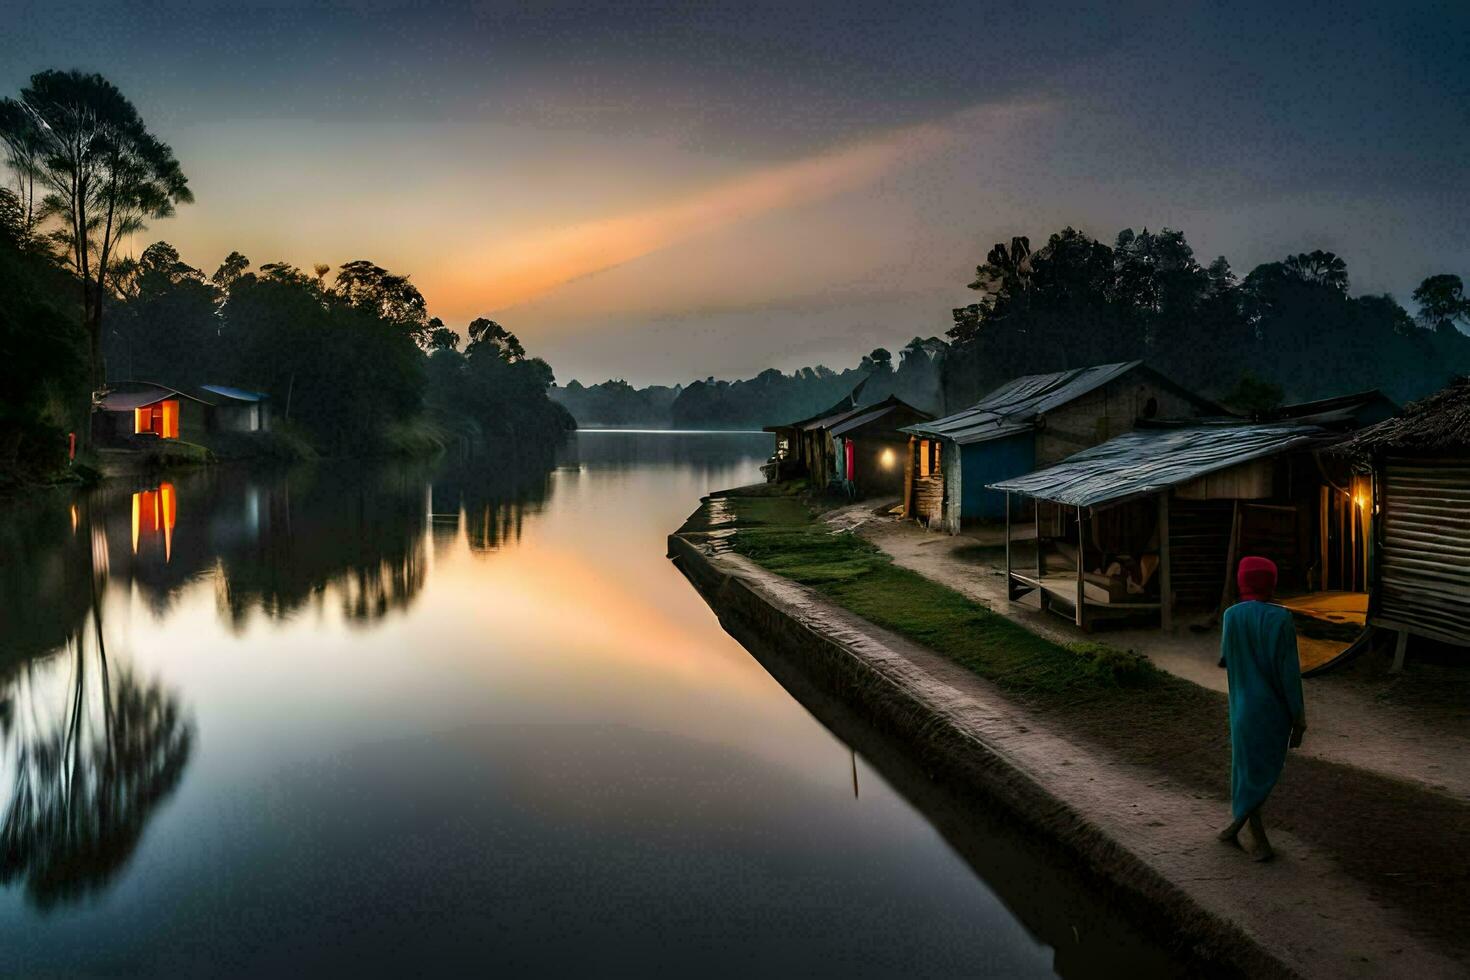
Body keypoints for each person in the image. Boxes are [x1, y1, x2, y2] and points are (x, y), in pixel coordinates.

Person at [1216, 556, 1306, 861]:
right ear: (1272, 582)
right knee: (1262, 772)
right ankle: (1256, 838)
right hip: (1273, 711)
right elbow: (1289, 674)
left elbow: (1225, 658)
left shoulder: (1231, 616)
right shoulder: (1281, 619)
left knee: (1247, 770)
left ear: (1242, 581)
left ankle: (1242, 833)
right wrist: (1299, 717)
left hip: (1242, 707)